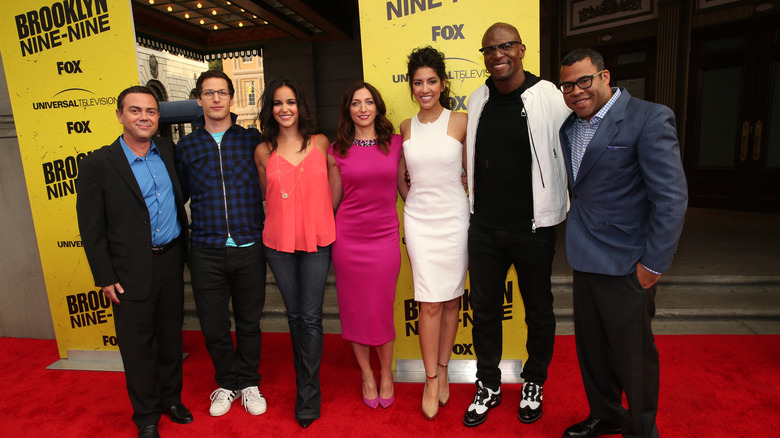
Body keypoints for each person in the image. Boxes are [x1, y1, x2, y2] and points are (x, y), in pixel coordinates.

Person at [558, 48, 687, 438]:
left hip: (628, 262)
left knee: (634, 358)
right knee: (593, 350)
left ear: (605, 76)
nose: (576, 91)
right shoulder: (568, 127)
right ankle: (607, 414)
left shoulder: (649, 118)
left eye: (584, 81)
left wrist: (653, 264)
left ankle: (641, 429)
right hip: (583, 256)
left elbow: (670, 197)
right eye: (567, 85)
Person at [463, 22, 571, 428]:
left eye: (506, 46)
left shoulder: (549, 95)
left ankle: (534, 381)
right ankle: (488, 384)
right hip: (484, 227)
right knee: (484, 311)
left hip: (533, 228)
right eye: (490, 49)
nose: (498, 55)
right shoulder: (477, 98)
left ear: (521, 49)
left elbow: (573, 143)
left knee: (539, 310)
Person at [76, 86, 192, 438]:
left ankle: (171, 399)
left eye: (151, 111)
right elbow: (91, 227)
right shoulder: (99, 164)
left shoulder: (168, 151)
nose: (144, 117)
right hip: (128, 271)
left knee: (171, 336)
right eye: (135, 110)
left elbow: (179, 197)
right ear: (120, 115)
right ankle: (146, 415)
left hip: (170, 260)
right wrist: (104, 275)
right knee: (138, 346)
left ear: (158, 117)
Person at [175, 71, 267, 418]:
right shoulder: (187, 147)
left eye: (222, 93)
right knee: (213, 326)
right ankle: (227, 383)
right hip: (205, 248)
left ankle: (249, 382)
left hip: (249, 244)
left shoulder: (252, 141)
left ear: (231, 97)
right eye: (208, 93)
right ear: (199, 99)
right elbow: (180, 194)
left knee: (249, 322)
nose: (216, 99)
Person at [254, 77, 335, 429]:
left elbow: (334, 185)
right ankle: (304, 380)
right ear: (270, 109)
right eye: (277, 103)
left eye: (290, 102)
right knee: (295, 317)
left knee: (311, 317)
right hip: (278, 245)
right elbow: (266, 196)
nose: (284, 109)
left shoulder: (321, 143)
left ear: (300, 106)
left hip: (317, 242)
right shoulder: (263, 151)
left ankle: (308, 393)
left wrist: (323, 217)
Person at [397, 46, 469, 421]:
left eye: (431, 81)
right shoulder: (405, 127)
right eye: (418, 82)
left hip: (455, 220)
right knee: (429, 303)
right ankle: (429, 380)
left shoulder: (461, 121)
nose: (425, 89)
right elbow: (401, 178)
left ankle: (443, 371)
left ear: (442, 84)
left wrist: (465, 188)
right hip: (420, 222)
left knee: (452, 300)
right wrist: (413, 200)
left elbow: (473, 171)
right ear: (411, 87)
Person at [327, 82, 403, 409]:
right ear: (348, 110)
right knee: (355, 312)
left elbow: (408, 188)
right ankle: (367, 375)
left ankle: (386, 374)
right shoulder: (336, 151)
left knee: (381, 310)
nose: (363, 108)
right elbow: (332, 201)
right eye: (356, 103)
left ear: (377, 107)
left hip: (385, 239)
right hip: (348, 241)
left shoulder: (396, 144)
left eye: (368, 102)